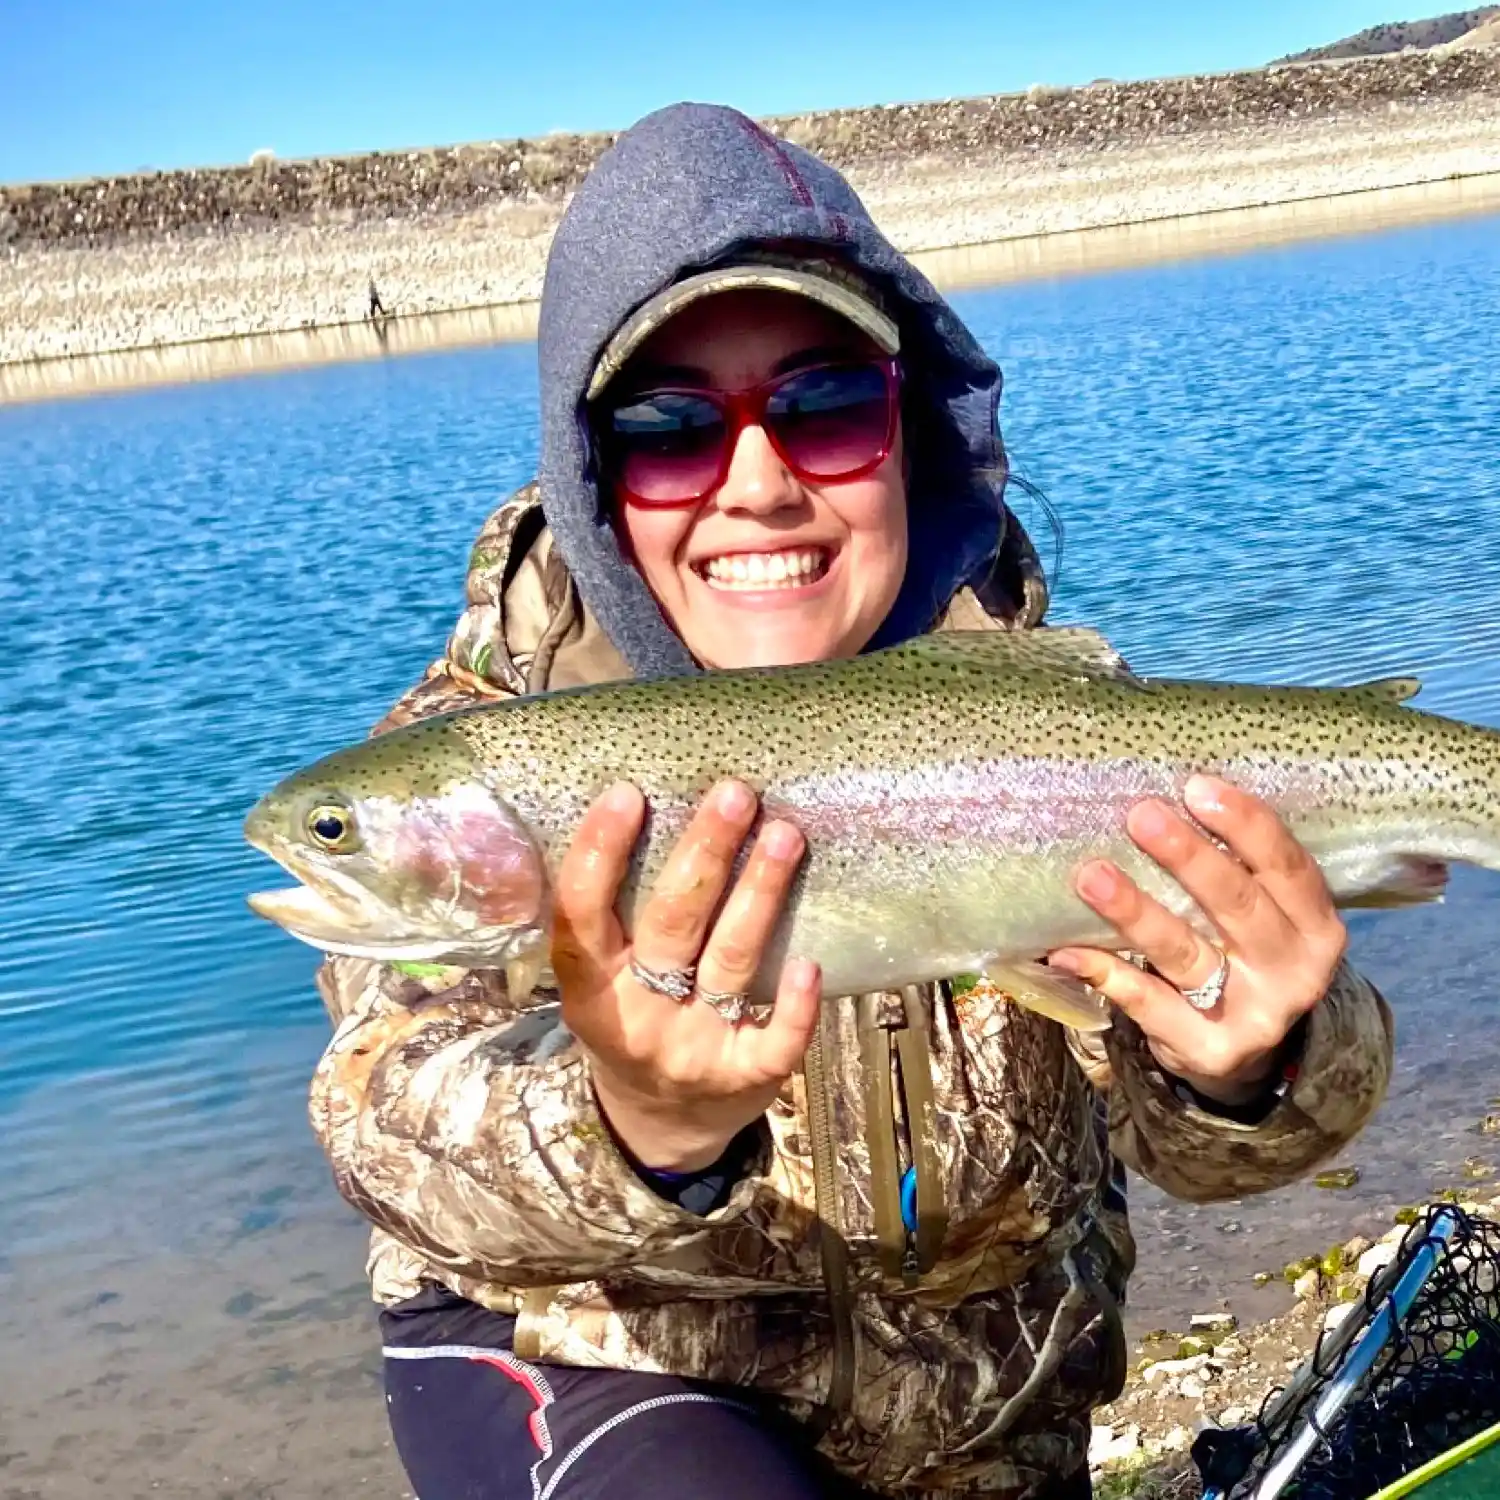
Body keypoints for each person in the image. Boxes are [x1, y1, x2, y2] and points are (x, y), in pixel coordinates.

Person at [310, 102, 1395, 1500]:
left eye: (823, 404)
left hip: (991, 1430)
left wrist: (1256, 1064)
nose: (756, 487)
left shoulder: (1063, 719)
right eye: (669, 429)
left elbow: (1202, 1154)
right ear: (595, 483)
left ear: (909, 432)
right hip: (606, 1398)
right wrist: (637, 1124)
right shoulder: (485, 760)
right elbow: (385, 1127)